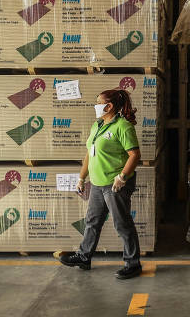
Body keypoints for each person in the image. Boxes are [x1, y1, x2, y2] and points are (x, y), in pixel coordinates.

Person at [60, 88, 143, 279]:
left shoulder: (123, 126)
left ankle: (133, 263)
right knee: (92, 222)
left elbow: (134, 155)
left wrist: (122, 177)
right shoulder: (97, 126)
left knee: (122, 224)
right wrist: (81, 178)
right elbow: (90, 154)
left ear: (109, 106)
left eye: (99, 102)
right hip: (97, 183)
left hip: (115, 185)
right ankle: (84, 256)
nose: (96, 106)